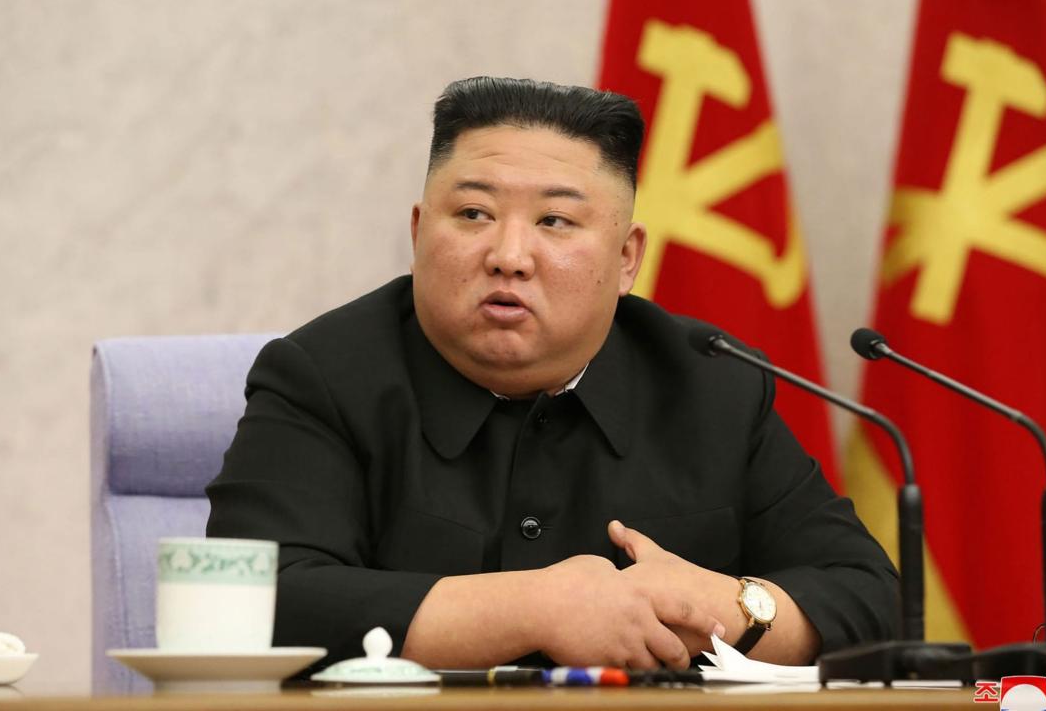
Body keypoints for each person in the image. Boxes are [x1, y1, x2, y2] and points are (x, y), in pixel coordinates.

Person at [206, 76, 897, 670]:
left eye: (556, 222)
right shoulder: (322, 377)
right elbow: (255, 601)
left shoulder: (710, 382)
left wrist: (727, 607)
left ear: (627, 260)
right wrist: (538, 607)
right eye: (473, 213)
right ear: (419, 233)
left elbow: (873, 600)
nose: (509, 255)